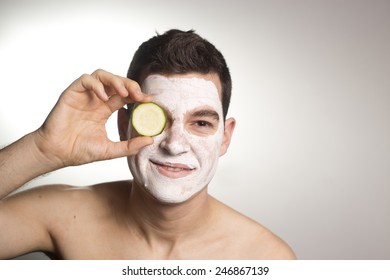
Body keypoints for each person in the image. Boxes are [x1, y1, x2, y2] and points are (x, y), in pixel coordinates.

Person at [0, 29, 295, 260]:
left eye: (201, 123)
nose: (175, 145)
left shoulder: (267, 259)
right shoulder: (64, 217)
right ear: (124, 126)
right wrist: (42, 149)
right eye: (157, 120)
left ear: (225, 137)